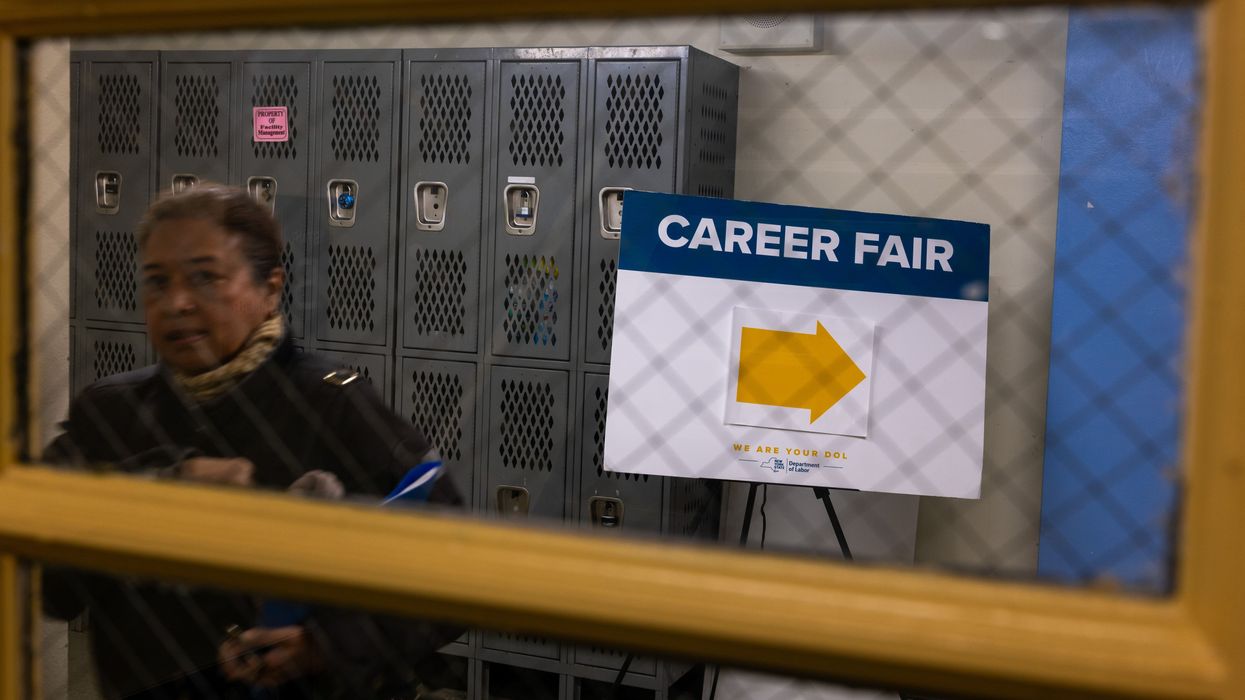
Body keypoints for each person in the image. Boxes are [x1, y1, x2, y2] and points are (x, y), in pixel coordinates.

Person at [42, 184, 464, 699]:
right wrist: (162, 486)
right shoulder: (107, 412)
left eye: (206, 278)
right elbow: (54, 587)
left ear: (270, 289)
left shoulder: (333, 406)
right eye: (157, 282)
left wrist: (324, 645)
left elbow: (454, 573)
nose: (176, 303)